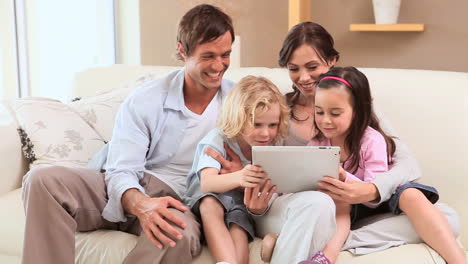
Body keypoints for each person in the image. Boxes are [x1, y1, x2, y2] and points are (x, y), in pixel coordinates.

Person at [206, 22, 462, 264]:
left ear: (332, 61)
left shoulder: (357, 108)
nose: (303, 77)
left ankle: (323, 243)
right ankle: (316, 238)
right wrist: (242, 175)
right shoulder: (276, 112)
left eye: (312, 66)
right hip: (303, 205)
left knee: (447, 220)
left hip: (351, 208)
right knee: (320, 205)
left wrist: (371, 190)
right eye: (294, 68)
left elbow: (407, 165)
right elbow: (253, 152)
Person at [21, 4, 235, 264]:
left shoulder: (238, 101)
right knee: (43, 181)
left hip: (180, 201)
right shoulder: (147, 99)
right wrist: (141, 204)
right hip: (129, 185)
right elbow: (121, 169)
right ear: (182, 50)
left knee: (176, 232)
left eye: (225, 55)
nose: (219, 65)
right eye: (208, 56)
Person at [298, 66, 465, 264]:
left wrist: (344, 177)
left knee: (414, 196)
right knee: (337, 201)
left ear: (357, 111)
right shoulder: (318, 142)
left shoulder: (371, 140)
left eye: (335, 113)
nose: (325, 120)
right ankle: (326, 257)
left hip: (379, 204)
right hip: (344, 211)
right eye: (319, 112)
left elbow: (373, 193)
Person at [184, 76, 289, 264]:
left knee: (239, 225)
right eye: (257, 124)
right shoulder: (218, 139)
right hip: (206, 199)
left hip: (239, 203)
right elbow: (207, 183)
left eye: (272, 125)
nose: (266, 133)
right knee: (211, 204)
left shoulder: (272, 144)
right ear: (238, 118)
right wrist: (240, 176)